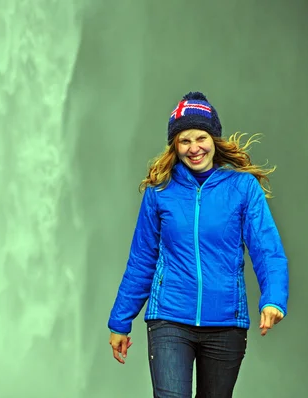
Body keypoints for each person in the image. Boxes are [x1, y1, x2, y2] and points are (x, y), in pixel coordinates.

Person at [106, 91, 289, 398]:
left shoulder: (242, 187)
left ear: (214, 139)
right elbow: (141, 260)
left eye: (201, 138)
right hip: (169, 319)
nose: (194, 148)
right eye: (184, 140)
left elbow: (267, 249)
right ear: (174, 146)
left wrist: (273, 298)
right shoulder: (160, 190)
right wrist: (120, 322)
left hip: (226, 322)